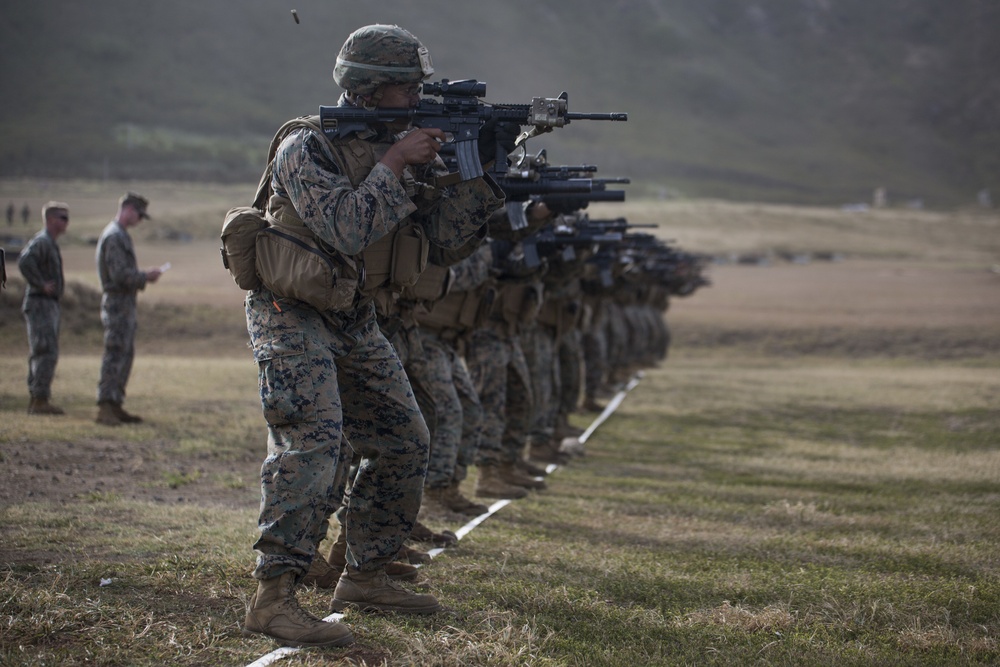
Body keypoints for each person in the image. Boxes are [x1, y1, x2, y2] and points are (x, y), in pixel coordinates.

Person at [241, 24, 504, 648]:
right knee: (315, 443)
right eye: (406, 86)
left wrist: (483, 174)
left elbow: (441, 241)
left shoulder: (401, 147)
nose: (419, 94)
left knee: (404, 440)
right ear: (368, 88)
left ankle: (364, 573)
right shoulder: (307, 146)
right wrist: (395, 162)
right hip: (292, 311)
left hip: (355, 315)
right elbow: (344, 229)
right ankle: (273, 597)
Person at [95, 192, 161, 426]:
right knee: (115, 353)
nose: (140, 221)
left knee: (124, 353)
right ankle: (105, 406)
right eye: (139, 215)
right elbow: (120, 275)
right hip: (117, 303)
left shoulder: (119, 235)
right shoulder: (114, 237)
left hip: (124, 304)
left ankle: (115, 404)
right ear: (129, 209)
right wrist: (145, 277)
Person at [18, 201, 70, 415]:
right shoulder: (43, 241)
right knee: (44, 350)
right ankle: (39, 400)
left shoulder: (50, 242)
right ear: (50, 220)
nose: (66, 222)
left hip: (47, 304)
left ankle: (37, 398)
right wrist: (40, 283)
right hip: (40, 303)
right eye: (62, 217)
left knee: (44, 349)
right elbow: (24, 261)